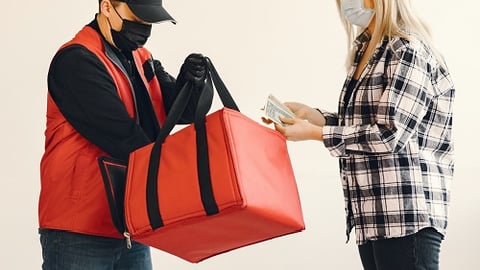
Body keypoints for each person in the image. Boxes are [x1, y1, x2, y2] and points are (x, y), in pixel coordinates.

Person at [265, 0, 455, 269]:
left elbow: (390, 134)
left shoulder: (408, 51)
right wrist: (313, 116)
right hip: (373, 217)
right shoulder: (368, 50)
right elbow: (362, 123)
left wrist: (316, 133)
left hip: (405, 216)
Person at [38, 0, 207, 269]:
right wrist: (184, 174)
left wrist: (191, 84)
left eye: (148, 21)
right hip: (80, 229)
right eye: (137, 18)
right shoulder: (77, 61)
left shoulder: (143, 58)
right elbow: (124, 137)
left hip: (131, 224)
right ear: (107, 7)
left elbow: (179, 111)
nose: (143, 28)